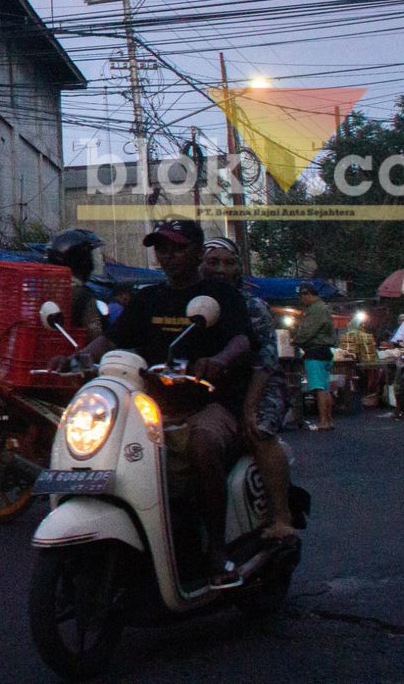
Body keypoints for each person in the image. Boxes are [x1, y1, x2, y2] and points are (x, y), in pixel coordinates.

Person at [76, 219, 253, 589]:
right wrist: (80, 356)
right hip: (154, 403)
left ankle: (217, 550)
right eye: (163, 249)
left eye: (178, 248)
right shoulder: (148, 298)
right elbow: (111, 340)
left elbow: (241, 341)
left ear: (197, 252)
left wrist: (219, 360)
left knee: (203, 445)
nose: (169, 257)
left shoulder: (221, 295)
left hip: (210, 403)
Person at [201, 238, 298, 540]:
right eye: (213, 261)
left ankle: (282, 515)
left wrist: (250, 407)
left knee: (258, 431)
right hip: (208, 387)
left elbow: (265, 362)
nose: (221, 269)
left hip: (259, 383)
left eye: (229, 262)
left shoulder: (253, 306)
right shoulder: (186, 300)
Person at [45, 228, 106, 338]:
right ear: (81, 260)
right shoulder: (83, 296)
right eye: (90, 257)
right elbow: (96, 336)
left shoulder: (45, 290)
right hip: (70, 352)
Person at [292, 283, 336, 430]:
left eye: (302, 297)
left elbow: (308, 331)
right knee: (325, 387)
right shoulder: (323, 308)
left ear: (307, 294)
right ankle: (328, 420)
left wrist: (294, 340)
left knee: (319, 388)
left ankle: (323, 421)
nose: (302, 301)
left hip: (316, 352)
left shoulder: (317, 309)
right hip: (325, 352)